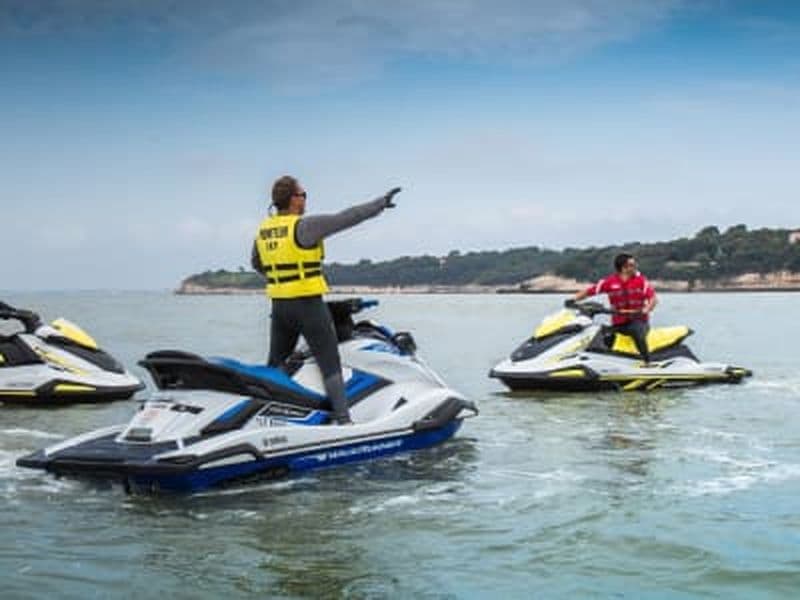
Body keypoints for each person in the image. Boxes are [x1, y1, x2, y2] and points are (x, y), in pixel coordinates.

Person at [251, 175, 401, 424]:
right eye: (303, 194)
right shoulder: (304, 227)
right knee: (330, 364)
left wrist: (282, 278)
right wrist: (380, 203)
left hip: (280, 307)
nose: (305, 199)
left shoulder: (265, 231)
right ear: (293, 199)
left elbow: (257, 263)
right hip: (307, 305)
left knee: (275, 364)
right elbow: (346, 218)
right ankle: (344, 422)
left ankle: (266, 417)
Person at [573, 253, 658, 365]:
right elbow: (589, 291)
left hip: (639, 321)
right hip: (619, 324)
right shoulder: (609, 282)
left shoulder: (641, 281)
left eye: (634, 264)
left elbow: (653, 299)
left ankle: (648, 362)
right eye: (631, 265)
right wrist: (573, 300)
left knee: (637, 332)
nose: (635, 267)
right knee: (599, 333)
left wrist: (647, 309)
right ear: (623, 268)